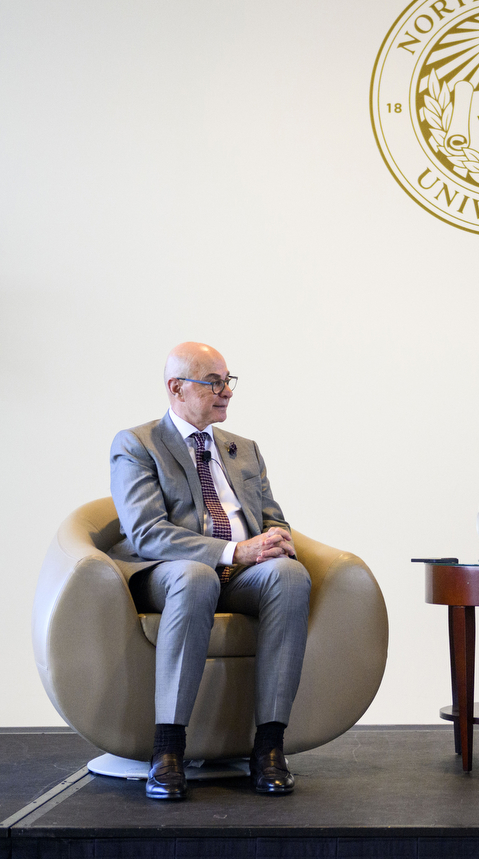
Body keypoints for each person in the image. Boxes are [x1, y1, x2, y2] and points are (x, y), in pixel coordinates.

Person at [109, 342, 311, 800]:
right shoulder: (138, 444)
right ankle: (168, 751)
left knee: (290, 575)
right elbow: (146, 533)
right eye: (214, 383)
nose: (227, 392)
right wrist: (233, 551)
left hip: (243, 575)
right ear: (176, 388)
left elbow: (272, 515)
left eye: (228, 381)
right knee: (197, 577)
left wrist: (277, 540)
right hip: (171, 573)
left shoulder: (245, 450)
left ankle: (269, 748)